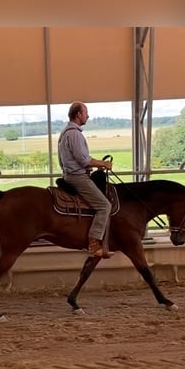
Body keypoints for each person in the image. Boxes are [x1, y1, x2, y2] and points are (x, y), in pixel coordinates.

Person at [57, 101, 114, 258]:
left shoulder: (64, 133)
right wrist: (104, 164)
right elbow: (84, 160)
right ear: (78, 114)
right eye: (85, 113)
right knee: (104, 206)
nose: (87, 116)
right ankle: (94, 244)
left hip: (69, 174)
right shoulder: (75, 134)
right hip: (78, 177)